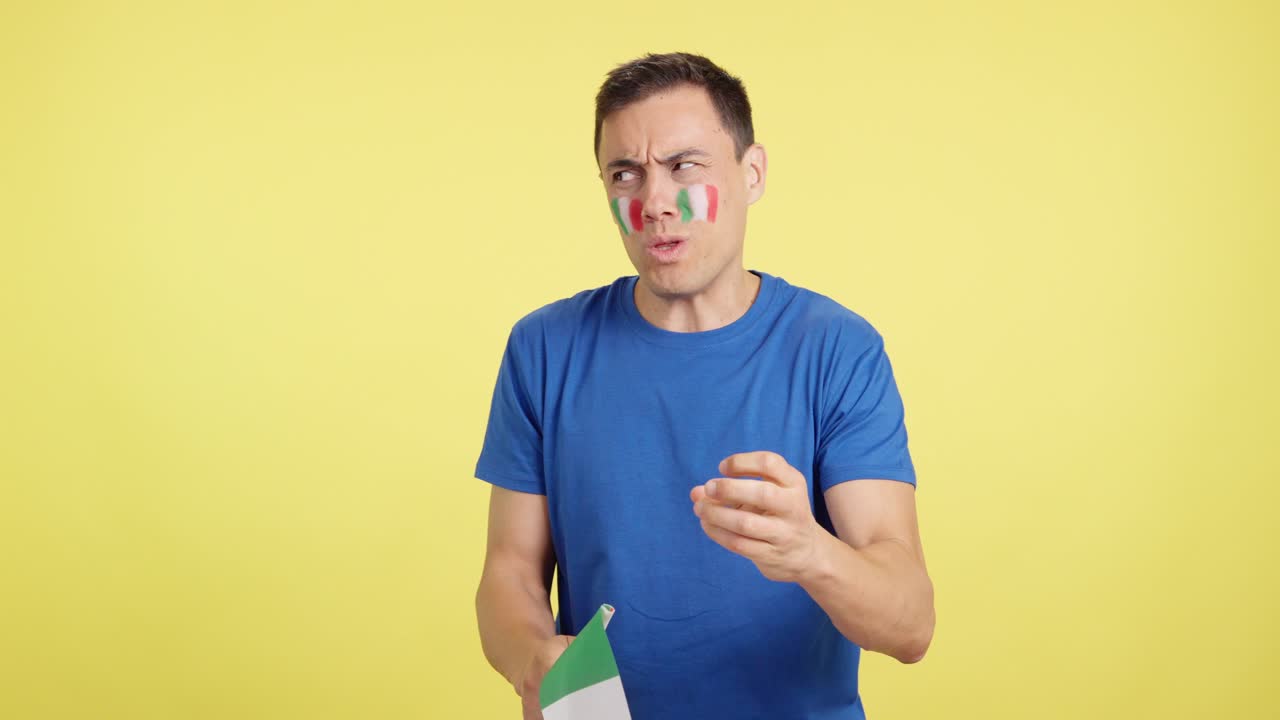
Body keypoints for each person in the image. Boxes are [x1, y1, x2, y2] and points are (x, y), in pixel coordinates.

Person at [473, 51, 934, 720]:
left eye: (684, 165)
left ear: (752, 173)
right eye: (625, 174)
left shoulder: (838, 349)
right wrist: (532, 660)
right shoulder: (543, 348)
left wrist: (810, 552)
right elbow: (509, 570)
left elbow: (910, 625)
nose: (654, 203)